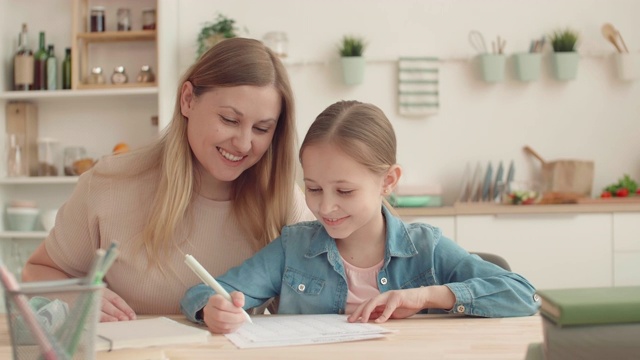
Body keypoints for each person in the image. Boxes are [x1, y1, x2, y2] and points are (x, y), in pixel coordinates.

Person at [181, 100, 539, 334]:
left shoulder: (426, 248)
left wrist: (427, 296)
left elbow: (523, 295)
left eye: (345, 191)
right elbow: (203, 292)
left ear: (388, 181)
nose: (325, 207)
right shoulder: (294, 247)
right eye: (314, 189)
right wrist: (212, 309)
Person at [21, 38, 314, 322]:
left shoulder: (282, 200)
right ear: (188, 100)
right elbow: (37, 271)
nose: (243, 143)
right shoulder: (109, 185)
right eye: (229, 120)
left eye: (262, 129)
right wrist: (78, 298)